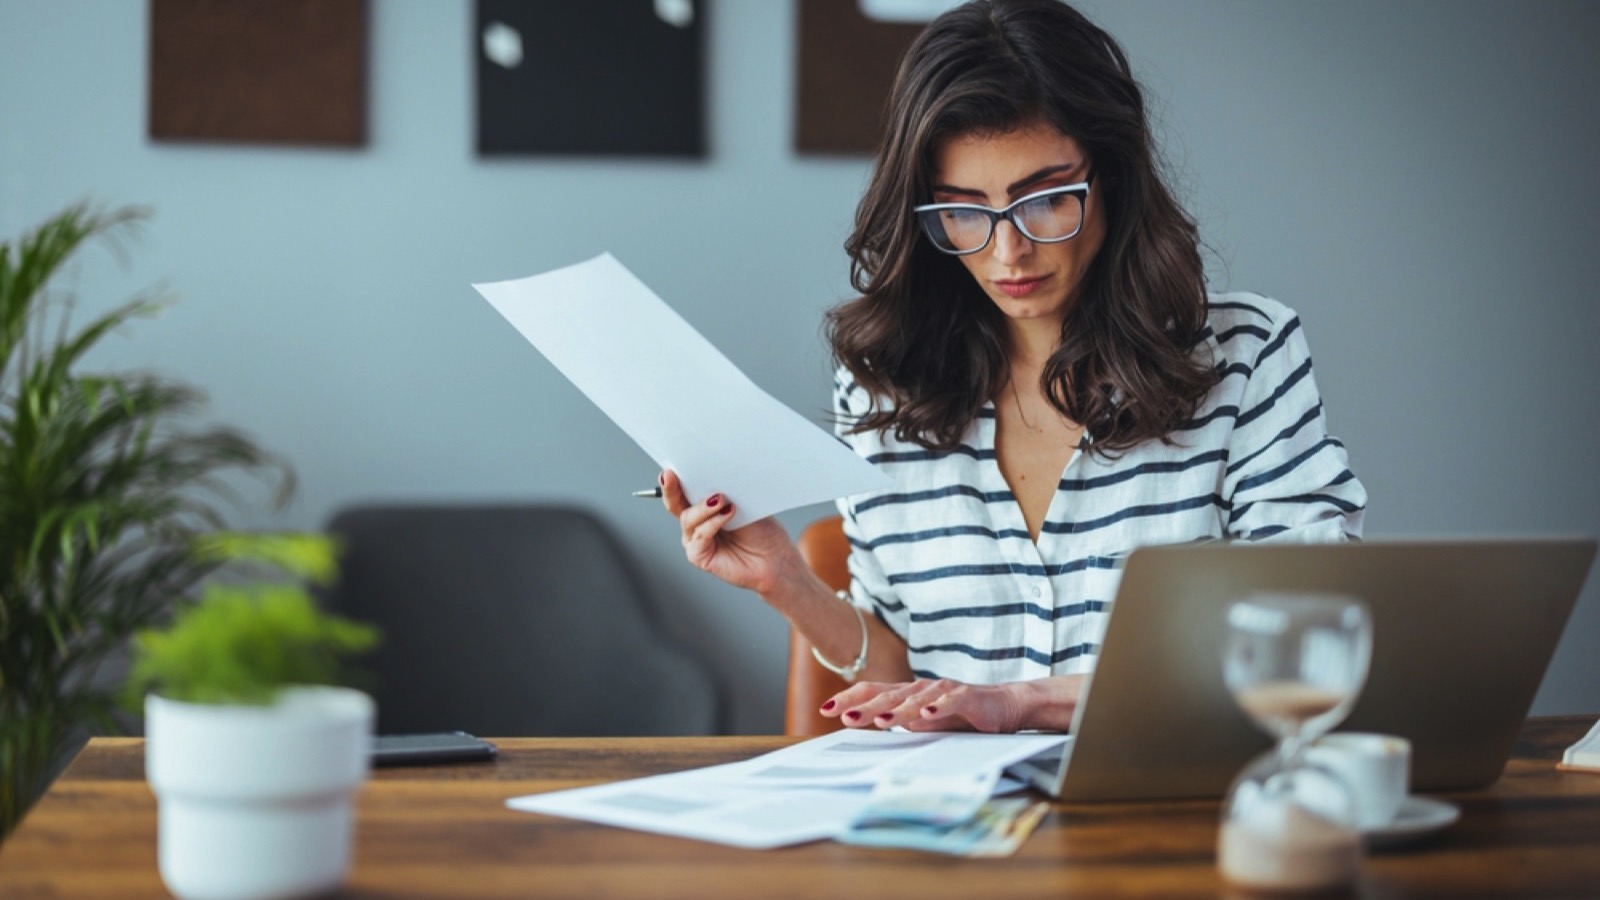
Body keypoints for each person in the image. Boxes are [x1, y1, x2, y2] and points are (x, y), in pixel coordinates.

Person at [660, 0, 1365, 734]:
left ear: (1112, 179)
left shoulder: (1245, 355)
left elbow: (1305, 642)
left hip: (1172, 814)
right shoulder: (881, 386)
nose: (1007, 254)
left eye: (1047, 200)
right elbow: (900, 680)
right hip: (954, 828)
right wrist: (786, 582)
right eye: (962, 211)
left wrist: (1024, 701)